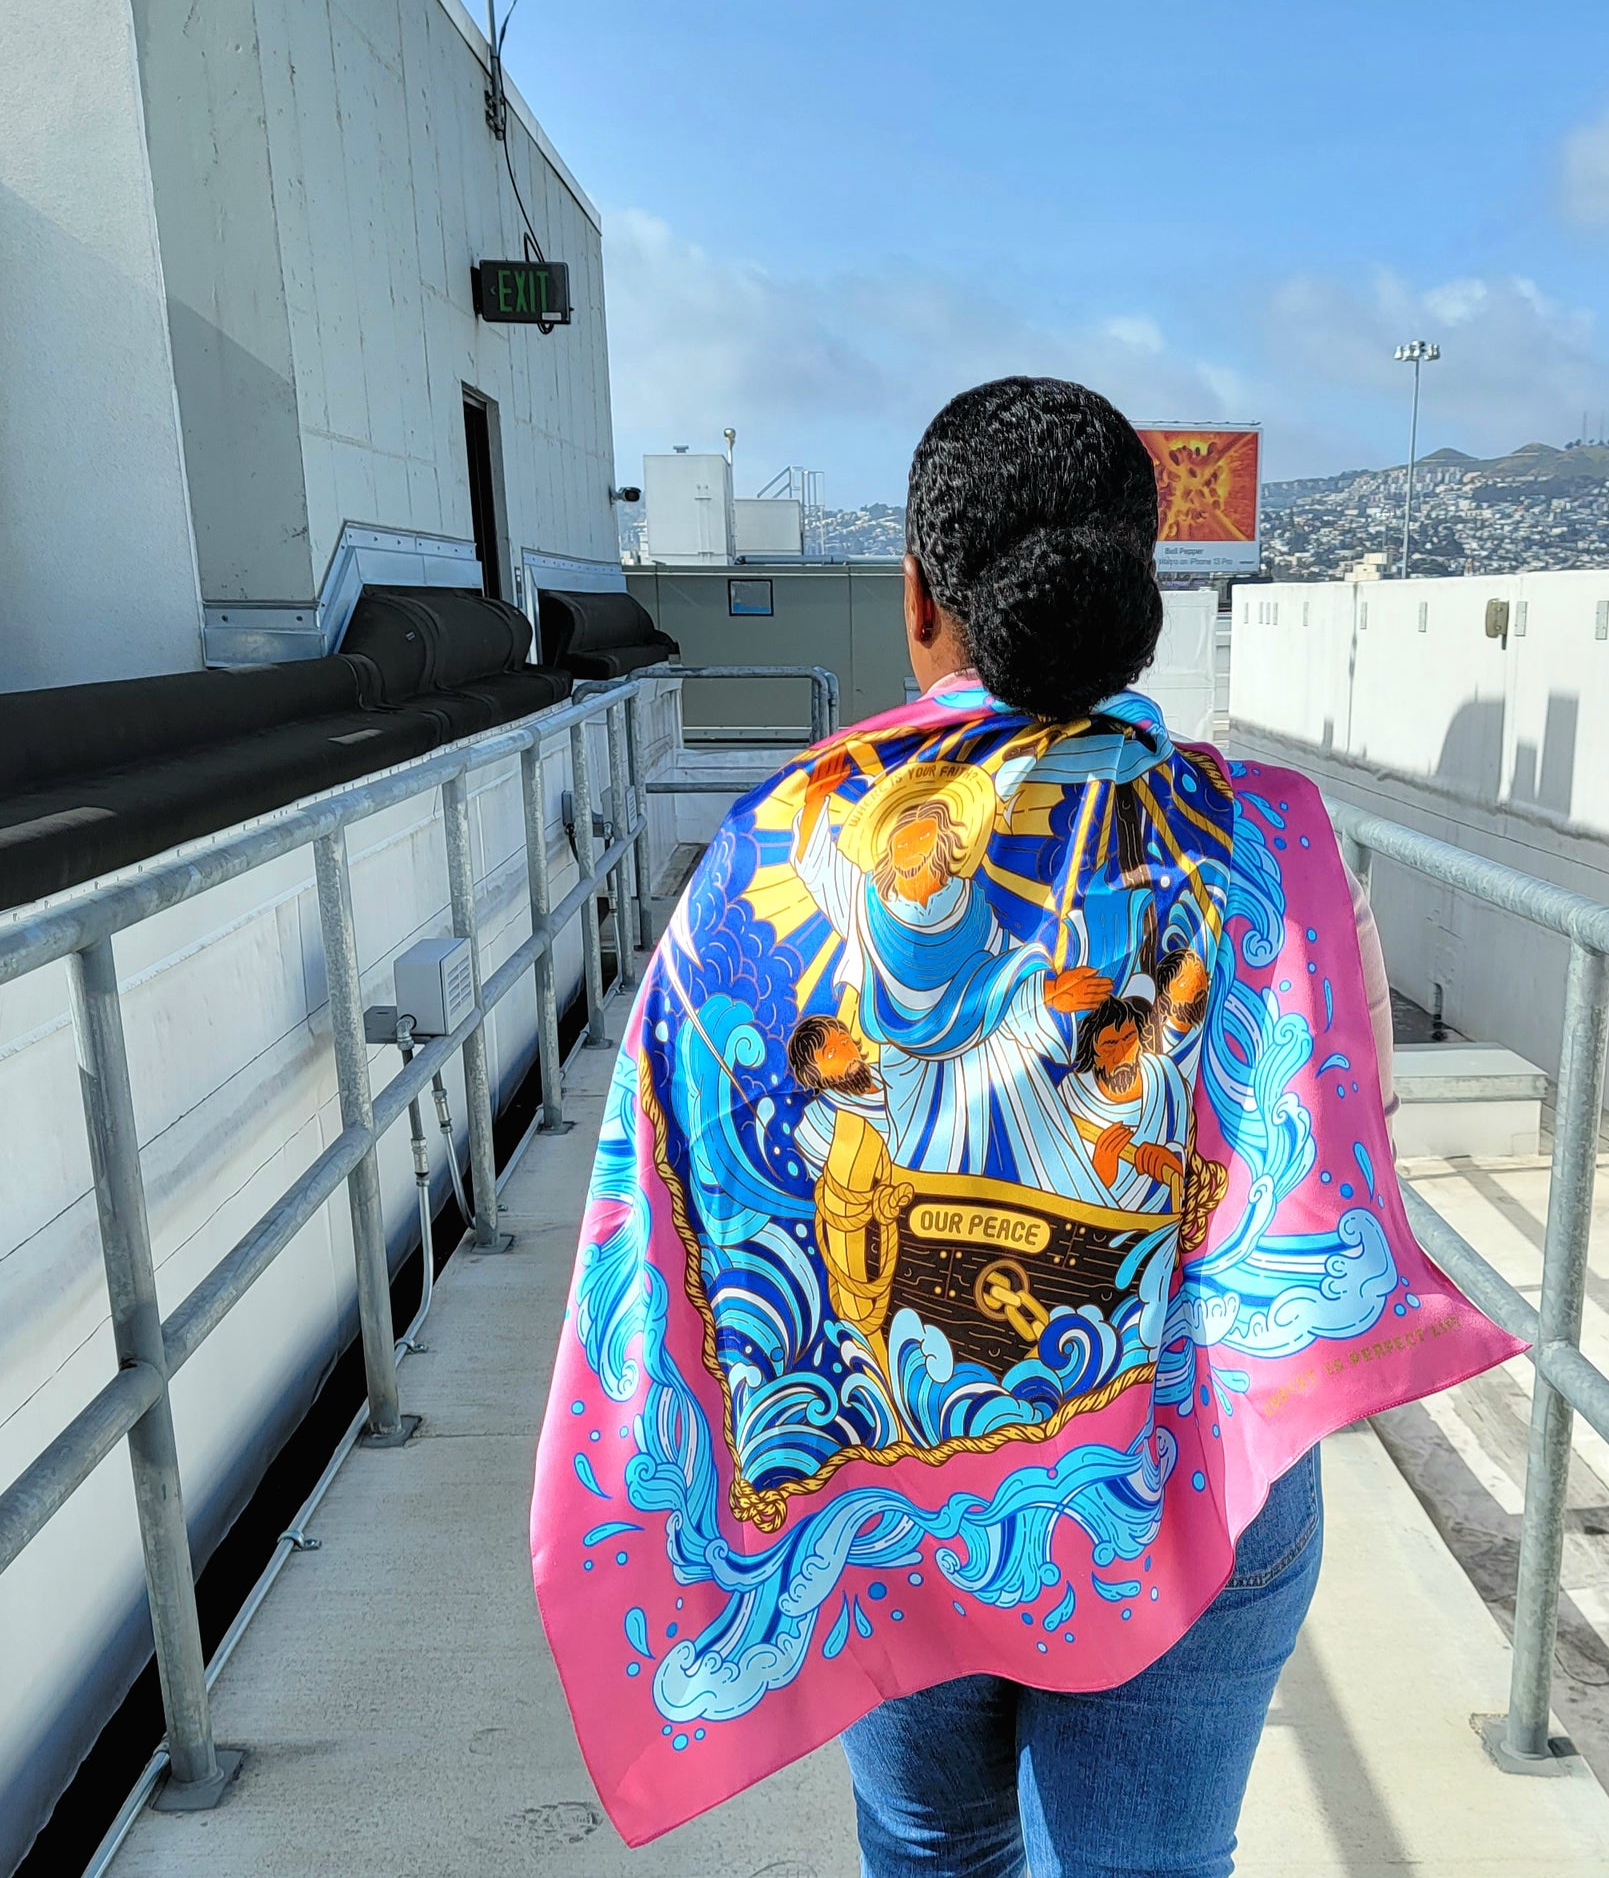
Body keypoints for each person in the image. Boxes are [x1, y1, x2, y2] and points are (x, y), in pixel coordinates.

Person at [528, 378, 1518, 1868]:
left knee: (931, 1851)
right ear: (1145, 599)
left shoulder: (770, 864)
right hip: (1186, 1478)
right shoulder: (1277, 850)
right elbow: (1342, 1156)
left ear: (918, 598)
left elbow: (693, 1192)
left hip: (882, 1478)